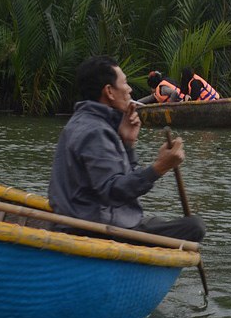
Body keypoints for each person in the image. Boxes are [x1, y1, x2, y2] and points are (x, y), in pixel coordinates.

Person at [49, 56, 206, 242]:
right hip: (95, 227)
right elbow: (113, 192)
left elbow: (120, 182)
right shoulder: (96, 131)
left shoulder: (87, 123)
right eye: (124, 83)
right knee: (194, 227)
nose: (130, 89)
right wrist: (159, 167)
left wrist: (128, 143)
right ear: (109, 91)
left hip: (96, 219)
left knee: (180, 225)